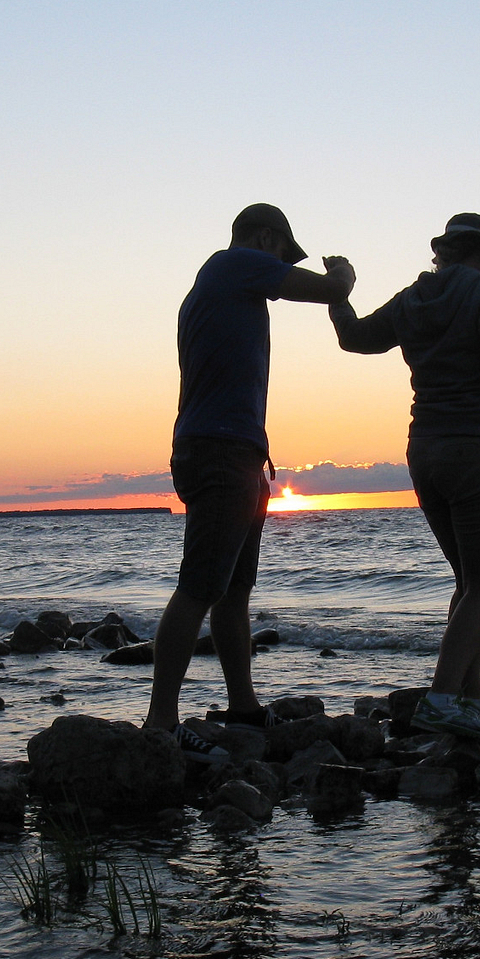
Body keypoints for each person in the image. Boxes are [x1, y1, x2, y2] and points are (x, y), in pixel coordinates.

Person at [327, 213, 480, 739]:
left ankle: (472, 695)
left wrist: (337, 292)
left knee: (467, 582)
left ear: (443, 251)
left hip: (425, 453)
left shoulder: (411, 299)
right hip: (478, 450)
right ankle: (442, 699)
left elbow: (352, 338)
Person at [142, 204, 356, 761]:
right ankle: (161, 724)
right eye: (282, 252)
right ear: (264, 238)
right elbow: (328, 290)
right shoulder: (232, 264)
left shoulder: (219, 284)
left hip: (231, 451)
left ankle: (243, 707)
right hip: (219, 451)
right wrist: (343, 276)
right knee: (200, 586)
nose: (281, 265)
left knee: (232, 590)